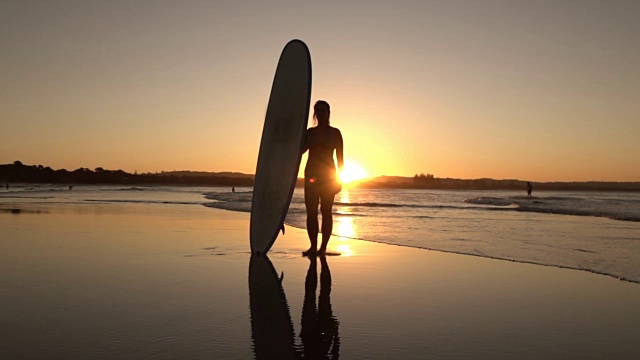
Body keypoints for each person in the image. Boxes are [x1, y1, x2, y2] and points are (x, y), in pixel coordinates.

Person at [301, 100, 343, 256]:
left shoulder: (335, 133)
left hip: (328, 177)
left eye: (323, 111)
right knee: (311, 212)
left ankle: (323, 247)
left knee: (326, 211)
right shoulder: (309, 133)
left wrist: (339, 180)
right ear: (315, 113)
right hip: (311, 175)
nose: (320, 114)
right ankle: (313, 247)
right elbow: (299, 152)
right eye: (318, 111)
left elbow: (341, 159)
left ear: (329, 113)